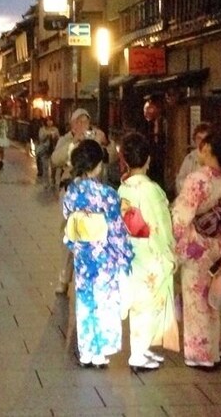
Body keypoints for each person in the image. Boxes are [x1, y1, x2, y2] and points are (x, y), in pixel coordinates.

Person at [170, 131, 221, 369]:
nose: (201, 151)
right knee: (213, 300)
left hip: (196, 246)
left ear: (210, 151)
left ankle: (199, 355)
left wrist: (174, 237)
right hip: (219, 248)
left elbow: (181, 216)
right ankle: (212, 353)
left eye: (204, 147)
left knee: (196, 300)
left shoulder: (197, 180)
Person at [60, 139, 133, 368]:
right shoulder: (107, 194)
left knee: (85, 302)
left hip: (83, 256)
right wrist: (125, 256)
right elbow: (117, 229)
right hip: (105, 257)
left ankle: (87, 352)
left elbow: (68, 218)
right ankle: (101, 352)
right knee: (106, 302)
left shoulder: (72, 192)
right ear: (98, 165)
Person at [117, 132, 179, 371]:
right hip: (151, 253)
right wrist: (170, 252)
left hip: (131, 252)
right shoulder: (152, 190)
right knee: (149, 304)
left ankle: (141, 349)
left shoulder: (123, 188)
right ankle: (138, 354)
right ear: (148, 160)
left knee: (139, 303)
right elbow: (161, 224)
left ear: (125, 159)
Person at [50, 108, 112, 294]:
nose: (82, 125)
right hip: (71, 191)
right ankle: (64, 277)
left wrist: (104, 143)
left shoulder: (95, 137)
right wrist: (74, 143)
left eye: (86, 121)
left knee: (93, 236)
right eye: (78, 121)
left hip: (94, 193)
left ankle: (91, 277)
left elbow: (111, 156)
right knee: (68, 234)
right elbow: (55, 159)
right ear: (72, 124)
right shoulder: (65, 140)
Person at [175, 122, 211, 194]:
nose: (201, 142)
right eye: (199, 138)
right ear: (195, 139)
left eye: (204, 139)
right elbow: (180, 180)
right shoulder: (189, 158)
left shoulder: (214, 157)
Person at [36, 117, 59, 182]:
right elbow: (41, 138)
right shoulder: (42, 129)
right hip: (44, 149)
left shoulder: (55, 129)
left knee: (53, 166)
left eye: (51, 121)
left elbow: (58, 138)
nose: (49, 122)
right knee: (45, 166)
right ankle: (46, 181)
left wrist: (55, 137)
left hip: (53, 149)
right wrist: (47, 135)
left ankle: (53, 179)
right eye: (48, 121)